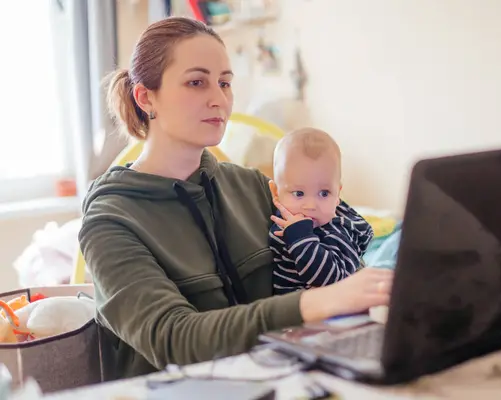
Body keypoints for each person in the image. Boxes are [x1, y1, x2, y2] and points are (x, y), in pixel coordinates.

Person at [78, 16, 393, 380]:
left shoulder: (255, 188)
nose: (219, 99)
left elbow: (345, 244)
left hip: (276, 379)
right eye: (197, 82)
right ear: (146, 97)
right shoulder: (109, 221)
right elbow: (172, 339)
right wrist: (315, 302)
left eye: (225, 83)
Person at [268, 127, 374, 294]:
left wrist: (301, 238)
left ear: (337, 194)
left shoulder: (336, 233)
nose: (311, 205)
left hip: (325, 313)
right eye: (299, 193)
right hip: (291, 313)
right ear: (276, 193)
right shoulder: (283, 224)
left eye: (324, 193)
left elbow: (331, 281)